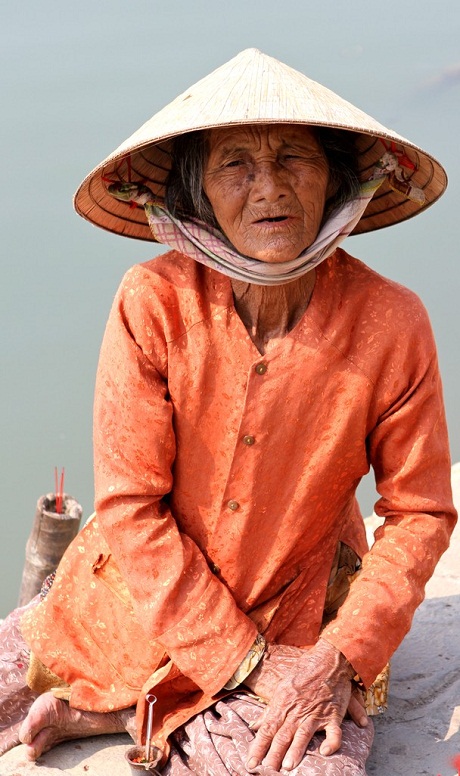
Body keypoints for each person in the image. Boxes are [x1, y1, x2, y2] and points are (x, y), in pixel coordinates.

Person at [0, 48, 456, 776]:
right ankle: (123, 698)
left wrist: (338, 657)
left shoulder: (392, 321)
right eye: (236, 165)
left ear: (336, 177)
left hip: (306, 619)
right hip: (139, 598)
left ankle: (120, 707)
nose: (269, 189)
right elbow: (132, 507)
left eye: (295, 161)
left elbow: (421, 512)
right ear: (197, 193)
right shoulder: (151, 302)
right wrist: (242, 659)